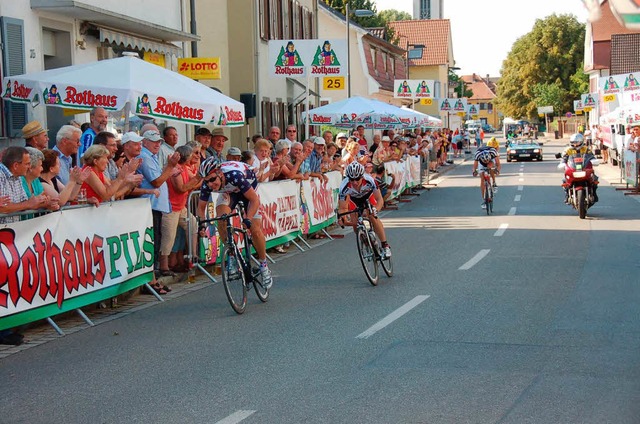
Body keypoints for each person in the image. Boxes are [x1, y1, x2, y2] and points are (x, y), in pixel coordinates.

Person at [197, 157, 273, 288]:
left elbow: (254, 200)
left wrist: (248, 218)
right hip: (229, 192)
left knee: (255, 229)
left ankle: (264, 265)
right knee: (221, 218)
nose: (210, 184)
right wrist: (202, 225)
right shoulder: (208, 183)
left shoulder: (234, 176)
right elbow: (201, 207)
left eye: (212, 180)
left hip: (248, 189)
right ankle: (231, 254)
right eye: (206, 181)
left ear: (220, 173)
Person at [137, 130, 181, 273]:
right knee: (154, 239)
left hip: (156, 204)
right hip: (150, 204)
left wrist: (169, 169)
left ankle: (154, 273)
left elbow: (159, 177)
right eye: (154, 141)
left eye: (159, 142)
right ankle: (153, 273)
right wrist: (170, 167)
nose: (158, 144)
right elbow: (156, 182)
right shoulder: (145, 156)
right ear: (145, 142)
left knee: (157, 238)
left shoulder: (152, 156)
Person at [159, 144, 202, 277]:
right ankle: (163, 266)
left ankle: (193, 255)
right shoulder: (175, 169)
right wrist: (198, 177)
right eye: (191, 155)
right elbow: (181, 188)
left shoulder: (183, 168)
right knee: (169, 237)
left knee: (193, 223)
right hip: (170, 208)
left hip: (180, 207)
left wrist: (200, 177)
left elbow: (193, 182)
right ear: (187, 157)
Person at [337, 161, 391, 258]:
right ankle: (367, 245)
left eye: (357, 179)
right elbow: (343, 207)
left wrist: (376, 209)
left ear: (362, 176)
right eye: (351, 179)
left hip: (368, 196)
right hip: (353, 200)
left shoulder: (370, 180)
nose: (354, 182)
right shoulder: (343, 186)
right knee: (355, 224)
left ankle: (385, 245)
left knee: (372, 215)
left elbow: (379, 199)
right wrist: (342, 218)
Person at [0, 147, 57, 224]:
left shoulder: (18, 177)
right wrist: (28, 204)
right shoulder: (1, 176)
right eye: (27, 164)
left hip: (14, 229)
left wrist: (44, 203)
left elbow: (23, 203)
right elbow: (2, 208)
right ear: (16, 165)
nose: (29, 167)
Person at [560, 133, 599, 204]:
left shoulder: (586, 149)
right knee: (565, 181)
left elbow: (591, 156)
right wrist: (562, 163)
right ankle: (567, 195)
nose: (575, 144)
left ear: (581, 142)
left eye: (577, 142)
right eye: (573, 143)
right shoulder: (568, 150)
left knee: (595, 178)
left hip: (584, 168)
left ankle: (594, 193)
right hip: (573, 169)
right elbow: (564, 158)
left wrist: (594, 161)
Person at [472, 138, 501, 209]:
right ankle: (484, 199)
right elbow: (475, 166)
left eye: (486, 160)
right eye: (485, 161)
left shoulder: (493, 152)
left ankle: (494, 183)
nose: (486, 162)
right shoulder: (478, 154)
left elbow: (498, 164)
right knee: (482, 178)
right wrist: (474, 171)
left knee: (490, 167)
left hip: (491, 160)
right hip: (481, 163)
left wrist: (497, 170)